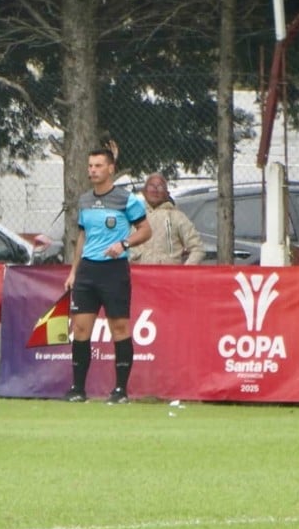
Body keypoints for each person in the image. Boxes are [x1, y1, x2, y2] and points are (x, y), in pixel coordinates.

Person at [63, 139, 152, 405]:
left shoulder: (127, 200)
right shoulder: (85, 200)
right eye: (90, 166)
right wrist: (73, 272)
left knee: (119, 327)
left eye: (98, 165)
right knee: (80, 329)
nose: (93, 170)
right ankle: (78, 389)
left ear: (111, 169)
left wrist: (123, 243)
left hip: (114, 271)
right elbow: (82, 236)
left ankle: (120, 391)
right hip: (88, 271)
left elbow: (146, 230)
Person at [129, 172, 205, 265]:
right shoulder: (133, 216)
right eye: (151, 186)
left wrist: (184, 272)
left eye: (160, 187)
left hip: (168, 275)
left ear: (167, 193)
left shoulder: (177, 217)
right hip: (138, 274)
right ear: (144, 191)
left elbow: (197, 248)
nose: (155, 190)